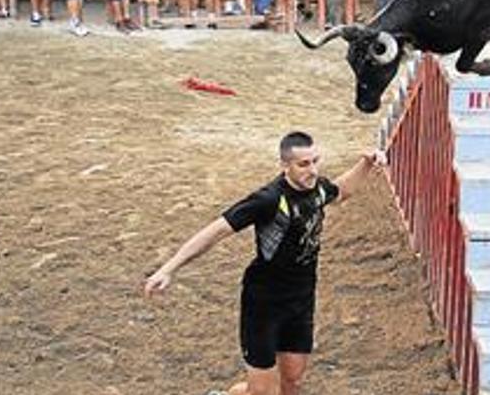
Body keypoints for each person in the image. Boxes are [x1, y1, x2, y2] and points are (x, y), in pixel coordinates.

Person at [144, 132, 385, 395]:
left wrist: (367, 163)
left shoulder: (317, 189)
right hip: (263, 304)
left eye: (316, 161)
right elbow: (215, 231)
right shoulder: (268, 200)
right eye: (303, 164)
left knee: (292, 381)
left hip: (301, 299)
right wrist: (169, 268)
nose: (313, 170)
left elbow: (342, 191)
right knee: (262, 393)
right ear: (285, 166)